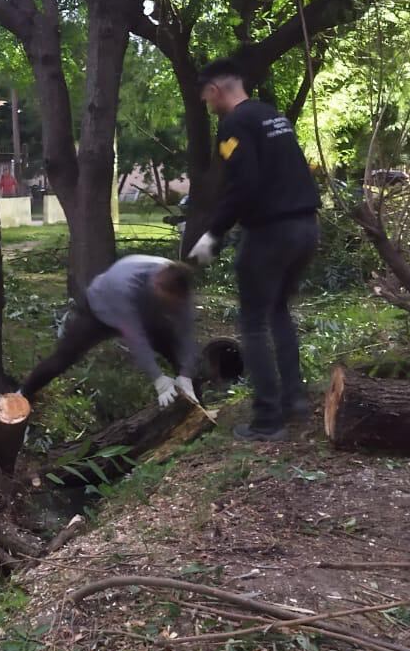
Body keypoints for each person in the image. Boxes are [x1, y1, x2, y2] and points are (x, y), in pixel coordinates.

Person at [188, 56, 321, 441]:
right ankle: (294, 401)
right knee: (278, 311)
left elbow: (243, 185)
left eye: (206, 98)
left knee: (252, 323)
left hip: (271, 234)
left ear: (215, 91)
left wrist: (213, 235)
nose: (208, 106)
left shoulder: (234, 124)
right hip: (306, 228)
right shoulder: (270, 115)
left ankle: (267, 420)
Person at [19, 256, 199, 408]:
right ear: (158, 283)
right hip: (100, 310)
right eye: (165, 299)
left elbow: (187, 333)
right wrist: (158, 379)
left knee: (177, 352)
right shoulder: (125, 284)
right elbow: (136, 338)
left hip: (143, 312)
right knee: (64, 357)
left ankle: (198, 407)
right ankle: (22, 394)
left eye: (173, 303)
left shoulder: (178, 284)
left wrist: (186, 374)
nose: (172, 306)